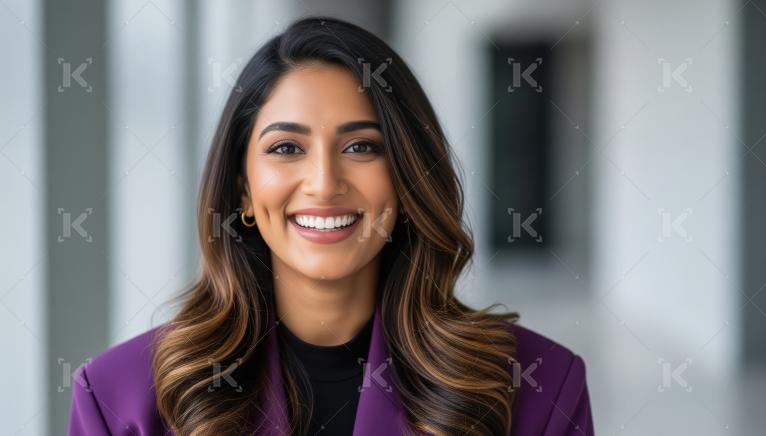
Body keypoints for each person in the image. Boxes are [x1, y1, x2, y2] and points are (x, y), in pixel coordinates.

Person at [68, 16, 594, 436]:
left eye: (361, 146)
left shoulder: (538, 386)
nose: (323, 182)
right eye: (286, 148)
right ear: (244, 190)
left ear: (408, 178)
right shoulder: (118, 400)